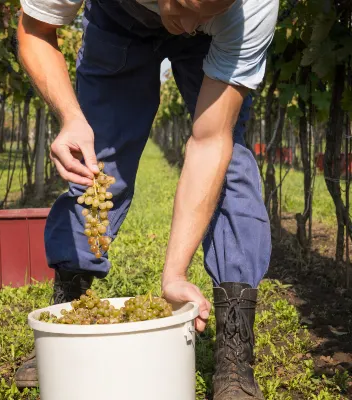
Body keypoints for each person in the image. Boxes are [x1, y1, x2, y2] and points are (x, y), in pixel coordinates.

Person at [15, 0, 278, 397]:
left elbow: (210, 142)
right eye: (183, 7)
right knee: (98, 160)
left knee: (231, 167)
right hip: (119, 18)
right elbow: (35, 30)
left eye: (207, 12)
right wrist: (71, 117)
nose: (189, 25)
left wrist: (174, 274)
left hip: (219, 39)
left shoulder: (256, 7)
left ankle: (235, 352)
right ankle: (68, 313)